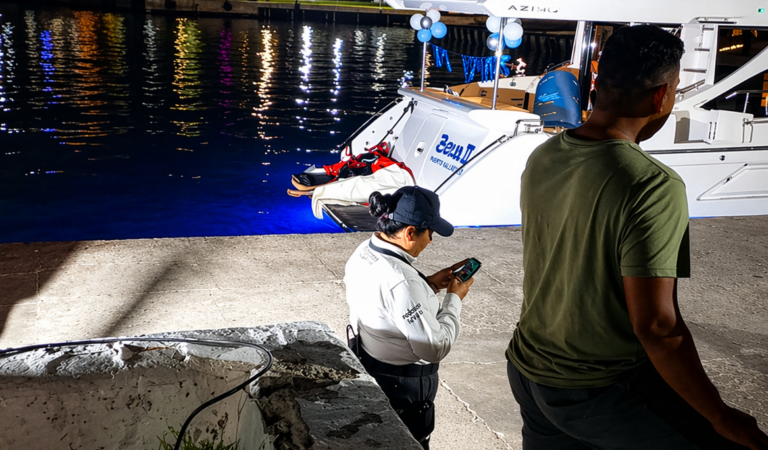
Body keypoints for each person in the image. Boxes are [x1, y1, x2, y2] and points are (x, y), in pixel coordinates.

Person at [506, 25, 768, 450]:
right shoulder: (652, 185)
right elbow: (657, 326)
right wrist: (720, 415)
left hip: (528, 373)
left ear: (598, 81)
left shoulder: (545, 155)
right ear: (661, 96)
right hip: (599, 389)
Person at [344, 186, 474, 449]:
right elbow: (434, 347)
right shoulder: (402, 281)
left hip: (371, 364)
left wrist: (428, 285)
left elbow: (386, 302)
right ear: (410, 232)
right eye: (430, 233)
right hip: (402, 388)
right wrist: (453, 299)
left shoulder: (365, 250)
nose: (431, 241)